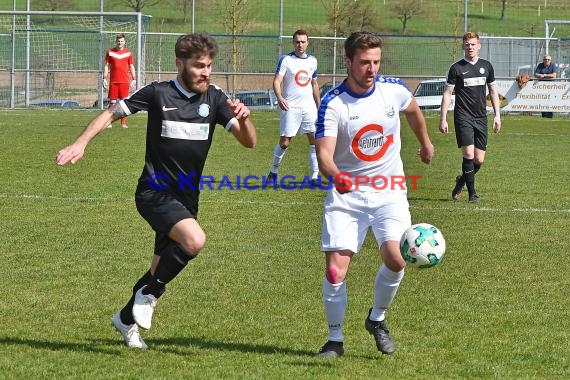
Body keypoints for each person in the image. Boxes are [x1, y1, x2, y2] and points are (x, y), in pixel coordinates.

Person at [56, 32, 257, 349]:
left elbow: (249, 142)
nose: (205, 72)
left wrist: (244, 120)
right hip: (154, 192)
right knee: (195, 240)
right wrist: (80, 142)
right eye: (198, 66)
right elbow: (112, 112)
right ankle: (151, 295)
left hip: (187, 198)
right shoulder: (158, 94)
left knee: (158, 267)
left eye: (209, 66)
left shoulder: (215, 99)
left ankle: (125, 319)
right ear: (180, 64)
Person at [314, 32, 435, 358]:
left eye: (376, 62)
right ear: (348, 61)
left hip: (389, 191)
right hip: (347, 196)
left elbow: (412, 110)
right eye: (365, 62)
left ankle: (376, 319)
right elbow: (324, 154)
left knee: (397, 259)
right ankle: (335, 340)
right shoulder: (333, 103)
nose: (372, 69)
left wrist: (424, 142)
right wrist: (337, 176)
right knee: (335, 271)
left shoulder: (393, 89)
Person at [440, 32, 501, 204]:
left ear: (479, 45)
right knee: (468, 153)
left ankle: (461, 182)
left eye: (473, 44)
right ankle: (472, 193)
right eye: (467, 44)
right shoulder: (456, 68)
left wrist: (497, 115)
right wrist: (443, 118)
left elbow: (493, 92)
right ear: (463, 46)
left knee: (479, 159)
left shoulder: (486, 66)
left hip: (481, 117)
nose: (470, 47)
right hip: (463, 116)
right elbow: (447, 93)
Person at [267, 29, 321, 185]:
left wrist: (319, 105)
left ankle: (315, 177)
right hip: (290, 107)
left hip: (309, 107)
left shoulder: (313, 61)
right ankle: (273, 172)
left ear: (307, 43)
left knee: (314, 140)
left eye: (303, 41)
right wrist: (280, 97)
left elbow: (315, 84)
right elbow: (277, 81)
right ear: (293, 42)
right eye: (297, 41)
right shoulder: (286, 60)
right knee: (285, 142)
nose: (300, 45)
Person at [102, 33, 137, 128]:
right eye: (118, 41)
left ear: (124, 42)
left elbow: (131, 66)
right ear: (116, 41)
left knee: (123, 103)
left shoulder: (128, 53)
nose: (120, 43)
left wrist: (134, 78)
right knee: (112, 103)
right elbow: (106, 66)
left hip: (125, 81)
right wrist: (104, 77)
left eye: (121, 41)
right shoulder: (110, 52)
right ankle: (108, 122)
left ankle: (123, 123)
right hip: (113, 81)